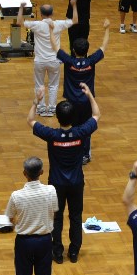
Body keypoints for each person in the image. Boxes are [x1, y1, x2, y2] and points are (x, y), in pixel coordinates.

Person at [30, 83, 99, 265]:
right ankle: (74, 251)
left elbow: (30, 120)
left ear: (57, 117)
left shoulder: (51, 134)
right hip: (76, 183)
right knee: (76, 217)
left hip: (56, 184)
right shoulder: (80, 132)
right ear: (73, 117)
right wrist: (90, 95)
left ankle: (57, 252)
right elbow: (96, 115)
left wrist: (37, 101)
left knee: (57, 218)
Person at [5, 156, 58, 275]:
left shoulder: (16, 196)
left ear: (24, 174)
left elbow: (10, 217)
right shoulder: (51, 191)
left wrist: (20, 224)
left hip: (24, 242)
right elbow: (54, 213)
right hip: (44, 241)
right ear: (42, 172)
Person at [54, 19, 108, 165]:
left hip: (71, 102)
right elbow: (103, 47)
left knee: (72, 126)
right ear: (87, 50)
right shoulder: (91, 62)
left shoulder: (69, 62)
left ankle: (72, 150)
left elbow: (55, 48)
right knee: (86, 128)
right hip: (86, 102)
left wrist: (51, 30)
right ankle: (85, 154)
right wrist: (107, 29)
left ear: (73, 50)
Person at [17, 0, 73, 116]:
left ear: (41, 14)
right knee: (53, 85)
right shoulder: (58, 24)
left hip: (40, 61)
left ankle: (41, 108)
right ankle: (52, 108)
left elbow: (19, 22)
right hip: (54, 60)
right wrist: (74, 6)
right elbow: (75, 21)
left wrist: (21, 8)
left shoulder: (37, 25)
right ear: (52, 14)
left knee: (39, 84)